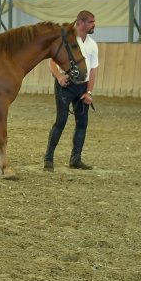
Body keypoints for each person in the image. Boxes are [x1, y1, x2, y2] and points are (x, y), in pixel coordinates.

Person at [44, 10, 100, 171]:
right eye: (91, 22)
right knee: (60, 121)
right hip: (66, 86)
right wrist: (59, 78)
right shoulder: (67, 40)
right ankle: (48, 159)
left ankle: (76, 159)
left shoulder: (92, 44)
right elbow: (52, 62)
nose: (94, 25)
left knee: (82, 124)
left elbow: (93, 70)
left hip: (82, 86)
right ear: (81, 22)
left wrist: (89, 92)